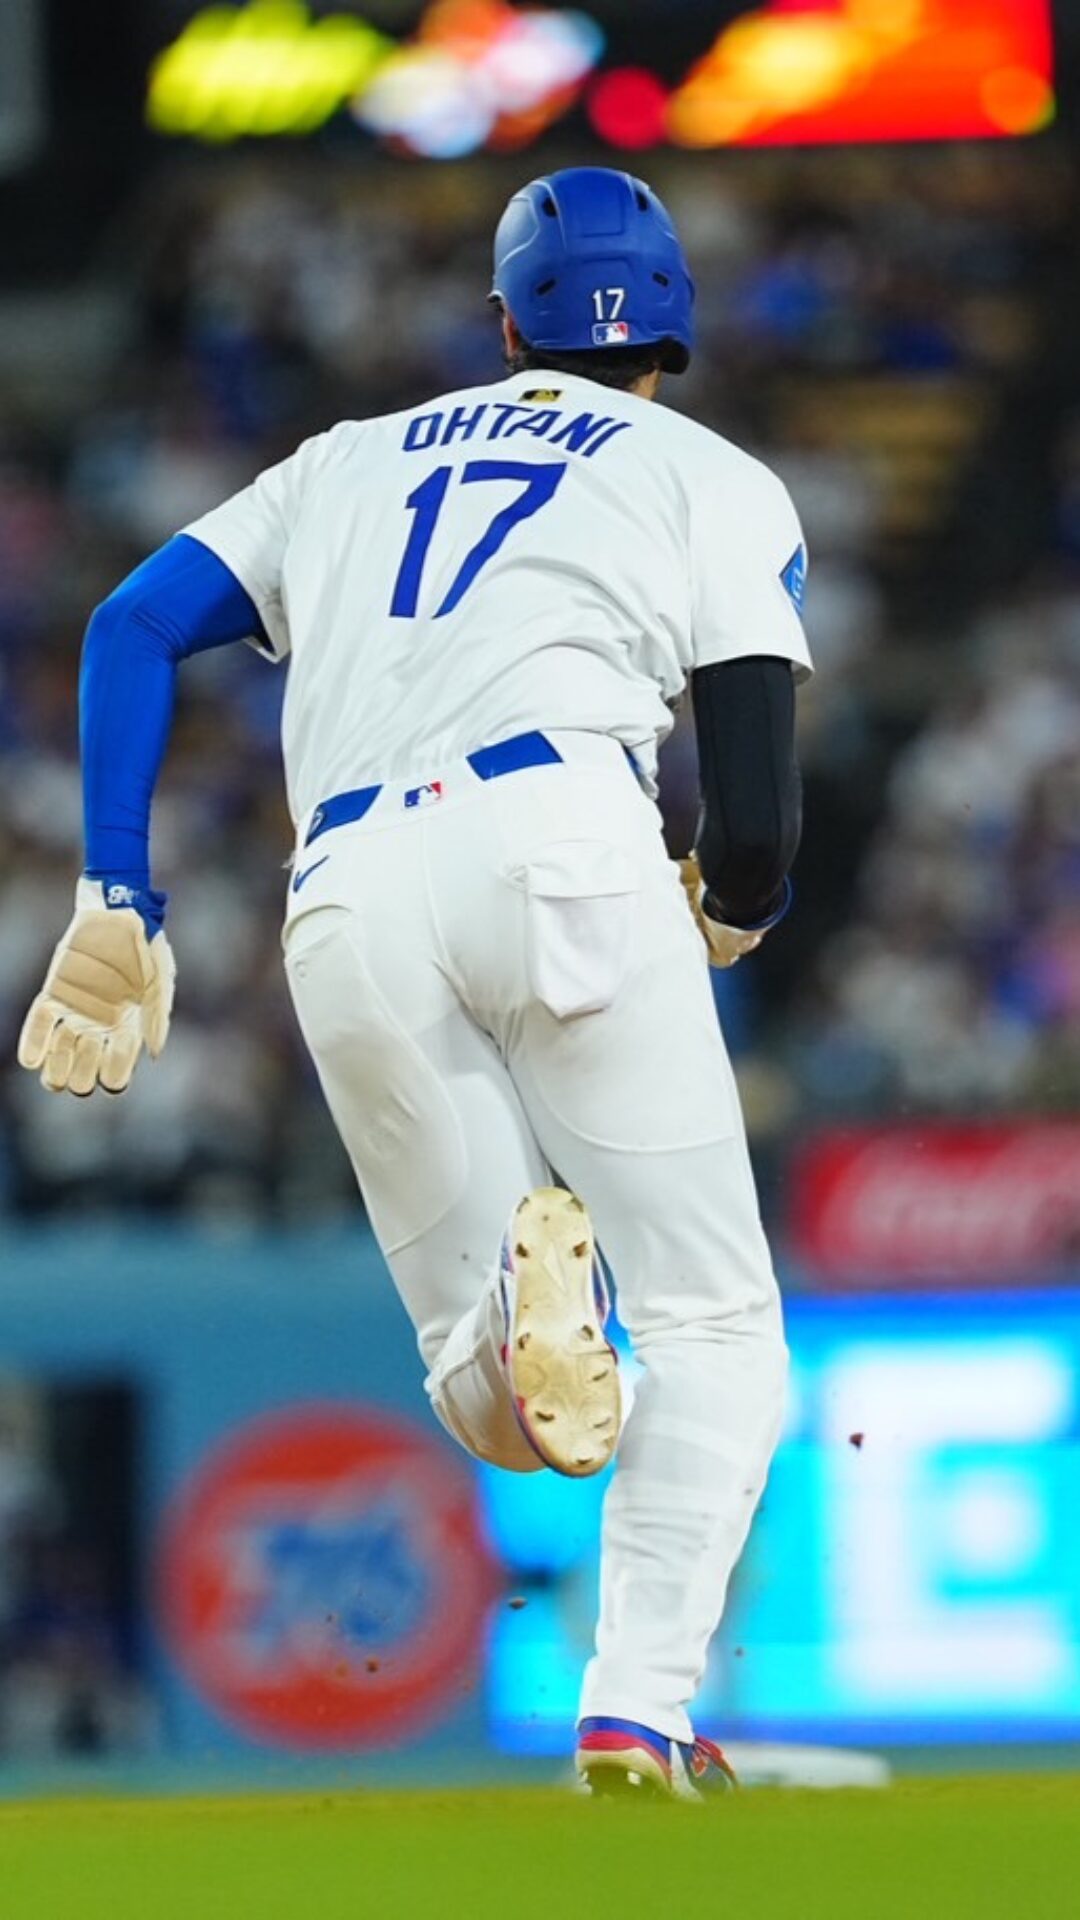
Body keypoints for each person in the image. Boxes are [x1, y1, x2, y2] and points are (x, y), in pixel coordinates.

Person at [18, 168, 810, 1797]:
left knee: (496, 1403)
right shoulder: (713, 476)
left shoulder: (345, 461)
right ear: (674, 326)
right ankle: (635, 1712)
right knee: (715, 1324)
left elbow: (127, 628)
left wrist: (119, 887)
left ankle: (521, 1323)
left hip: (350, 888)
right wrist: (732, 910)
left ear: (504, 322)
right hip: (567, 842)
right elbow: (755, 811)